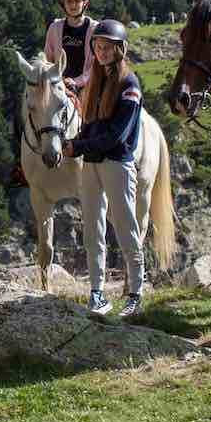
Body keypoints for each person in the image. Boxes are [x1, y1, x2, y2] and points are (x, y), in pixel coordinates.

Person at [62, 19, 149, 318]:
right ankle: (97, 292)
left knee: (126, 227)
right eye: (98, 47)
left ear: (119, 49)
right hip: (92, 166)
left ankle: (136, 291)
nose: (101, 52)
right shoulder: (96, 83)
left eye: (108, 47)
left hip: (117, 164)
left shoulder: (129, 85)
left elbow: (115, 135)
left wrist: (79, 147)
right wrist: (73, 142)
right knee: (93, 230)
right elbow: (89, 126)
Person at [8, 0, 97, 190]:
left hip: (85, 84)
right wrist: (43, 77)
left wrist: (76, 82)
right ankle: (22, 166)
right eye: (69, 1)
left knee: (97, 117)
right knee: (20, 116)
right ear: (63, 3)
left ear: (86, 3)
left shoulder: (94, 29)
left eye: (77, 1)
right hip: (55, 84)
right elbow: (47, 58)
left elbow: (94, 65)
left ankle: (98, 162)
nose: (73, 5)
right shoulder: (55, 28)